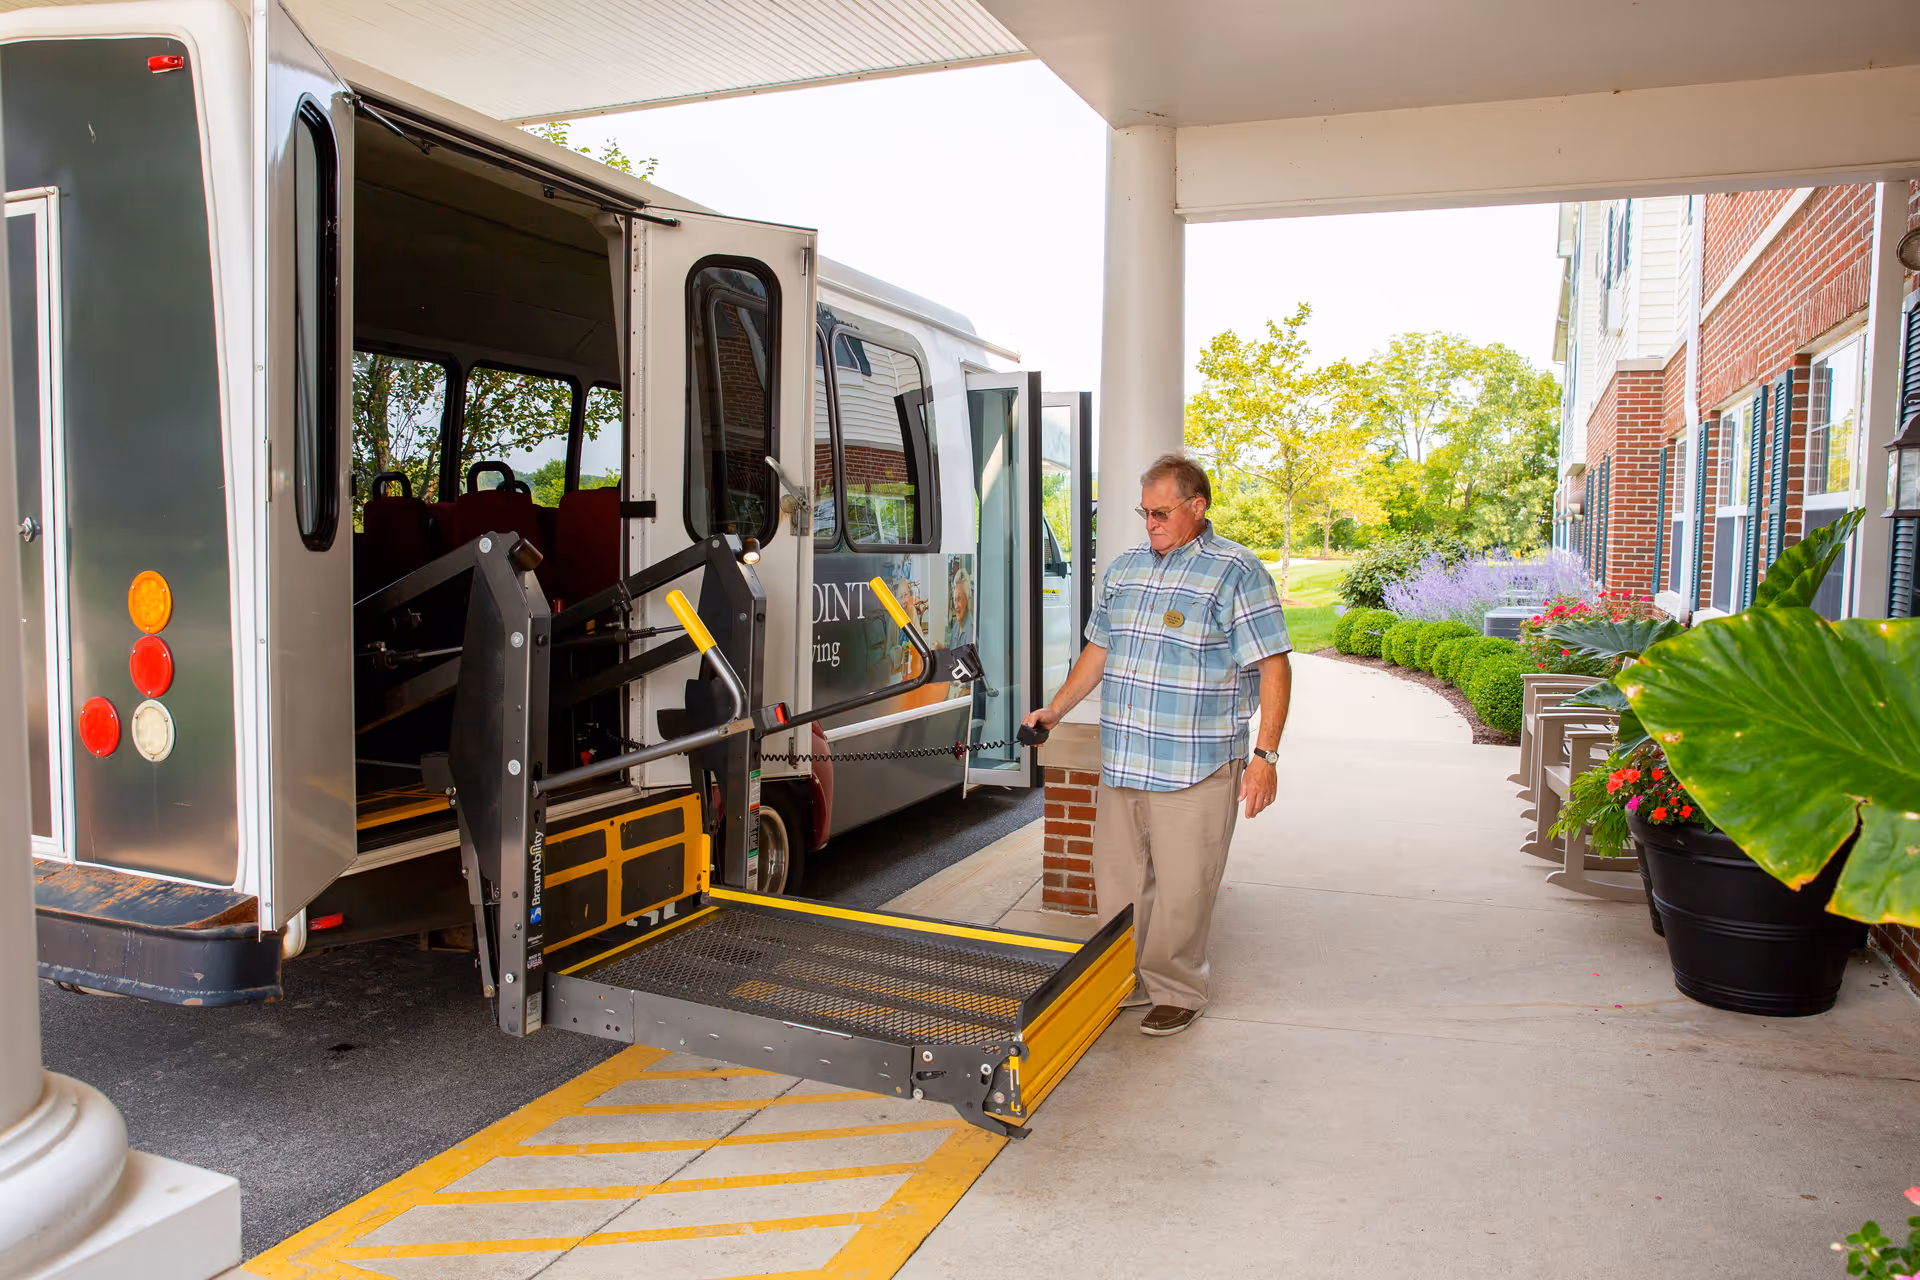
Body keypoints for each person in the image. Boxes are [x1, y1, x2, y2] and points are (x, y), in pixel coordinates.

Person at [1022, 453, 1291, 1037]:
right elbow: (1098, 649)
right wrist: (1057, 708)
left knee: (1183, 890)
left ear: (1198, 506)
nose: (1151, 524)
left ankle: (1177, 988)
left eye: (1162, 512)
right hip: (1124, 759)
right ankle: (1123, 977)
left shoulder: (1236, 572)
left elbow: (1273, 665)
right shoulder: (1124, 570)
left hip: (1196, 764)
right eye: (1144, 513)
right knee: (1118, 884)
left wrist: (1265, 756)